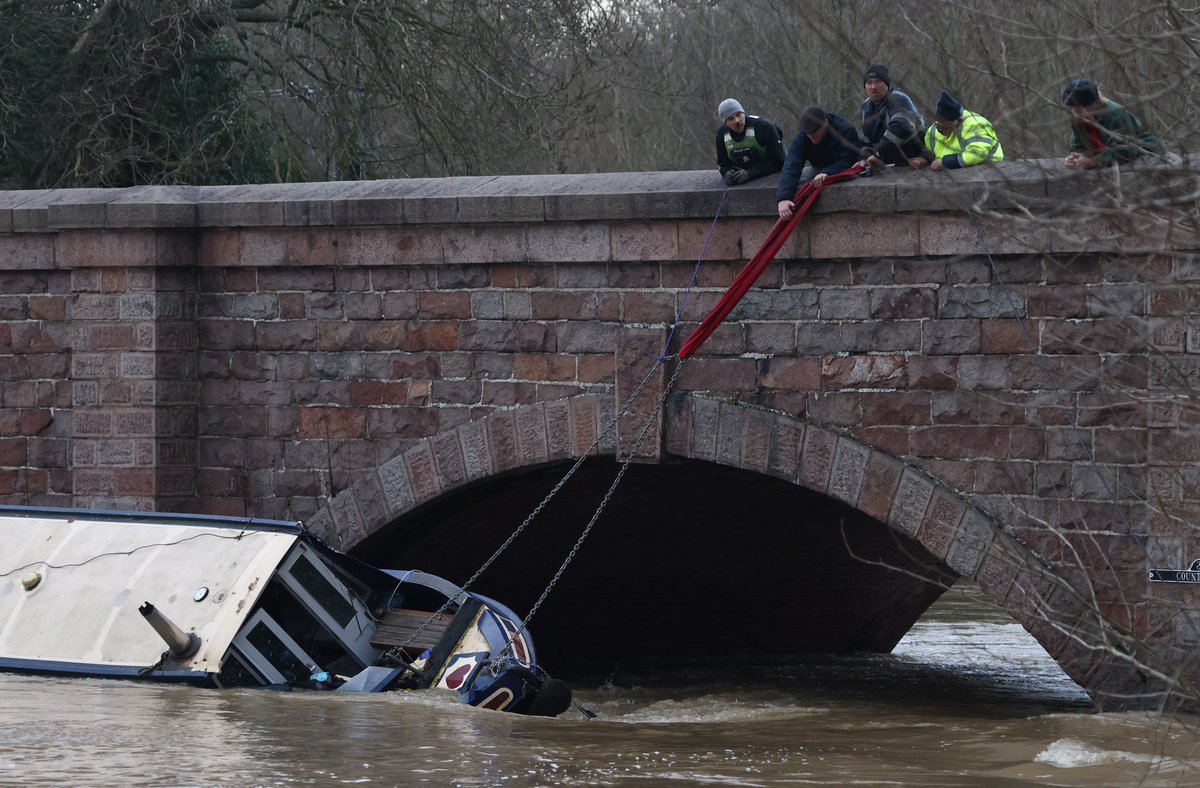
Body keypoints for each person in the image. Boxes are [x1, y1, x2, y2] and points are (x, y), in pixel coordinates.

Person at [775, 106, 862, 220]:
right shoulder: (802, 138)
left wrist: (828, 172)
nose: (811, 136)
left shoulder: (845, 129)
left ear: (825, 123)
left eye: (814, 132)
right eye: (808, 134)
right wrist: (783, 198)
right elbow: (791, 165)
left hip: (841, 169)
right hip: (818, 167)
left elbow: (849, 159)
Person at [1062, 79, 1160, 170]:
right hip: (1107, 160)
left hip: (1144, 153)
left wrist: (1092, 162)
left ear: (1089, 107)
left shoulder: (1115, 114)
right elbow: (1078, 146)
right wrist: (1075, 159)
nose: (1072, 112)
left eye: (1075, 108)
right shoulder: (1077, 118)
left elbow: (1127, 151)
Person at [910, 90, 1003, 171]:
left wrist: (945, 163)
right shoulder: (933, 131)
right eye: (939, 127)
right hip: (953, 178)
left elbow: (977, 154)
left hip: (990, 173)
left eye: (946, 128)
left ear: (958, 121)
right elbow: (931, 154)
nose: (942, 131)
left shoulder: (976, 124)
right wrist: (922, 160)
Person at [859, 64, 926, 170]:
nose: (873, 87)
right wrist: (864, 159)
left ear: (887, 84)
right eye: (869, 83)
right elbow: (866, 139)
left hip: (914, 159)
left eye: (878, 81)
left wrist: (878, 155)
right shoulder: (866, 107)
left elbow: (901, 127)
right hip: (887, 166)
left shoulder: (899, 99)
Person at [714, 98, 785, 185]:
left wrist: (750, 174)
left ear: (743, 113)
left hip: (773, 177)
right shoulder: (722, 135)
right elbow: (723, 163)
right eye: (731, 119)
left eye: (738, 115)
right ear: (725, 123)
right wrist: (726, 173)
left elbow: (779, 161)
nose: (737, 121)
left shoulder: (763, 127)